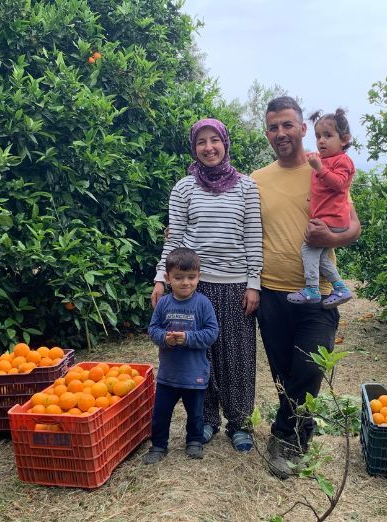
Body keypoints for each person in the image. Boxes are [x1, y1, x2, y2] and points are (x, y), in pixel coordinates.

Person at [250, 96, 361, 479]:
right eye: (273, 127)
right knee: (283, 373)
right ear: (267, 133)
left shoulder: (323, 168)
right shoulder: (256, 180)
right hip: (272, 293)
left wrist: (333, 236)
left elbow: (353, 227)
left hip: (319, 297)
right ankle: (293, 433)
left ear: (301, 128)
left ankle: (288, 437)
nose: (281, 133)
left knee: (309, 368)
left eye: (287, 125)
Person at [150, 118, 262, 453]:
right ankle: (207, 419)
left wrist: (253, 283)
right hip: (195, 287)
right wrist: (161, 277)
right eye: (201, 142)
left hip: (236, 283)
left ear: (225, 143)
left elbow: (253, 237)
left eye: (215, 140)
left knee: (238, 357)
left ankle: (239, 423)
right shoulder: (184, 188)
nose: (209, 147)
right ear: (194, 148)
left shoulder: (246, 187)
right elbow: (175, 238)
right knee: (202, 355)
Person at [144, 248, 219, 464]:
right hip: (168, 374)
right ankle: (159, 445)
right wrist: (164, 339)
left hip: (194, 373)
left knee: (195, 412)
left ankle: (194, 441)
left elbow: (211, 333)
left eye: (191, 277)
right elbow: (153, 329)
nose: (185, 282)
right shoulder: (164, 303)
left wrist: (187, 338)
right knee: (161, 413)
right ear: (167, 278)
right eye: (178, 278)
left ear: (199, 277)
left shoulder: (203, 303)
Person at [287, 108, 355, 308]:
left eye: (328, 135)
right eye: (318, 136)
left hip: (332, 219)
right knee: (322, 258)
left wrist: (319, 168)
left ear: (344, 140)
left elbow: (340, 184)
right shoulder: (325, 160)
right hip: (326, 218)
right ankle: (341, 288)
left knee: (307, 249)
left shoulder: (343, 160)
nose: (321, 141)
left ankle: (312, 289)